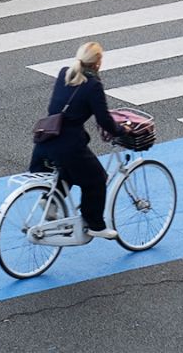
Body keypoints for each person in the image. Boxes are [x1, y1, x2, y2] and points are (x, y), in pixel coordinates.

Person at [30, 41, 127, 240]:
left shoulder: (65, 72)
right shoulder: (93, 85)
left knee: (73, 170)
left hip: (46, 141)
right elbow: (104, 120)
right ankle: (95, 225)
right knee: (97, 179)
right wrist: (121, 130)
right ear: (98, 62)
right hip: (68, 145)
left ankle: (52, 200)